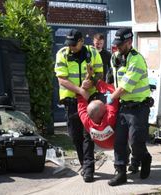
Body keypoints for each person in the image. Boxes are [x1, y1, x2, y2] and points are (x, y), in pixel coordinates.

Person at [54, 29, 103, 182]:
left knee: (87, 133)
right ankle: (84, 163)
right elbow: (61, 79)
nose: (71, 47)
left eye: (74, 44)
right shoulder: (62, 54)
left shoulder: (93, 53)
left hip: (90, 99)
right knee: (75, 136)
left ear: (82, 41)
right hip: (72, 101)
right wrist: (81, 90)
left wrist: (92, 81)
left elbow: (100, 73)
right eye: (69, 44)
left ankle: (89, 169)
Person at [105, 28, 152, 186]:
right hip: (124, 106)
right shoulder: (115, 57)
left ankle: (145, 158)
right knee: (119, 142)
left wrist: (111, 98)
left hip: (139, 107)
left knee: (136, 142)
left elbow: (125, 86)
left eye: (120, 44)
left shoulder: (136, 59)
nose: (117, 47)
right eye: (116, 44)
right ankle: (120, 173)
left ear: (129, 42)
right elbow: (113, 79)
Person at [77, 79, 118, 149]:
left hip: (101, 144)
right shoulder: (110, 117)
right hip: (115, 142)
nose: (105, 106)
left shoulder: (86, 120)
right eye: (104, 106)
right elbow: (112, 94)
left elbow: (81, 106)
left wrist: (83, 88)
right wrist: (98, 82)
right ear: (103, 113)